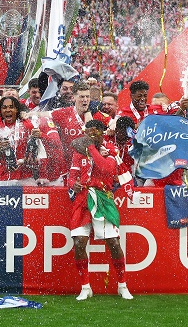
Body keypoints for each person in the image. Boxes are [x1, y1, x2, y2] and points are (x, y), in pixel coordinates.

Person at [68, 120, 132, 301]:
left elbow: (105, 169)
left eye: (95, 133)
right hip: (82, 201)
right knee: (79, 243)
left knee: (113, 243)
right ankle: (85, 287)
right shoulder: (78, 153)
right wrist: (75, 184)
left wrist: (91, 149)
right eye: (89, 133)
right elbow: (71, 178)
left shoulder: (111, 151)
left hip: (103, 200)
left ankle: (122, 285)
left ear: (103, 133)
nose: (91, 136)